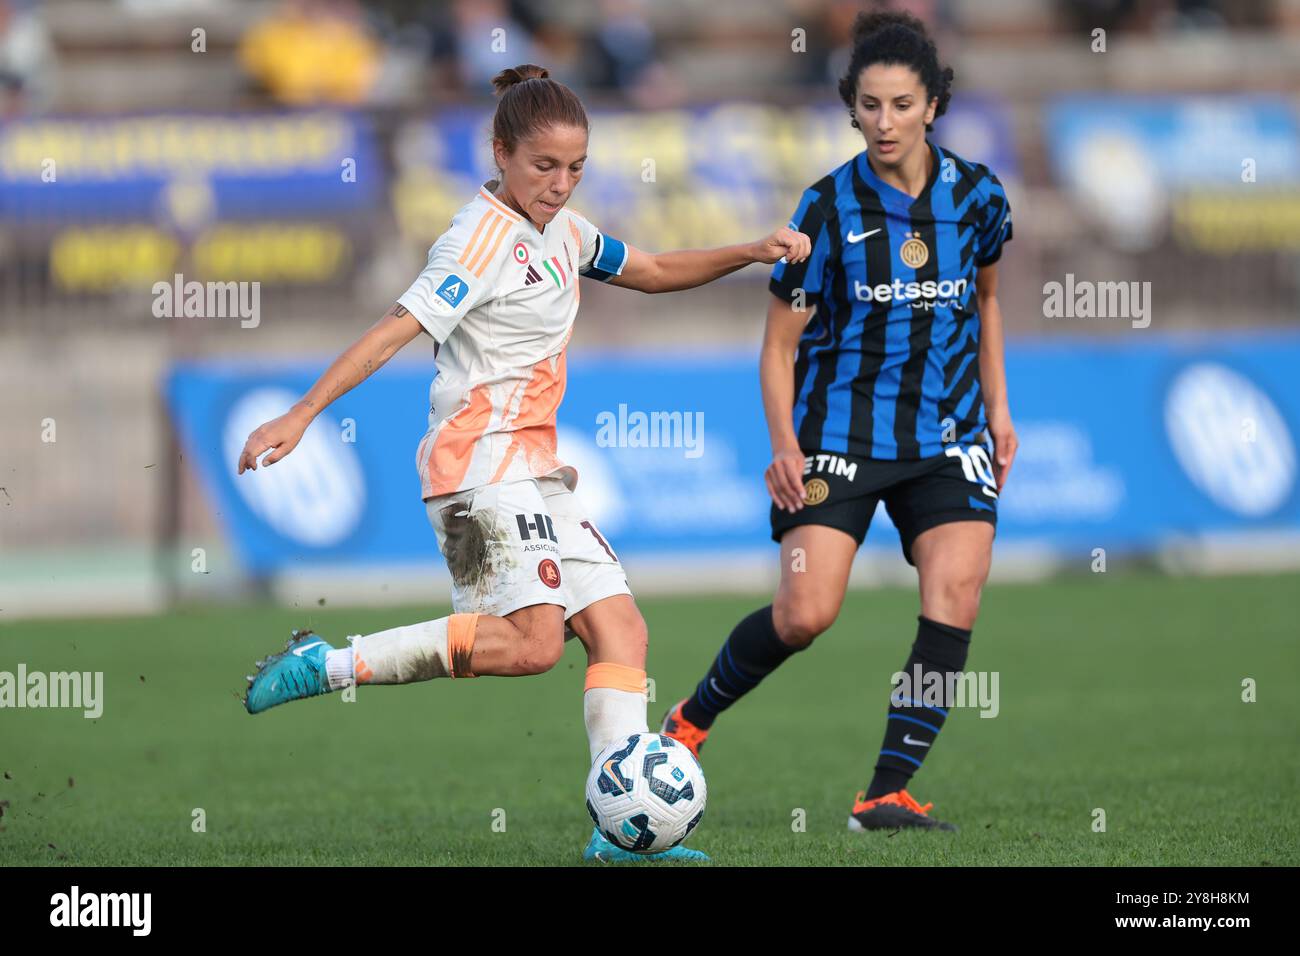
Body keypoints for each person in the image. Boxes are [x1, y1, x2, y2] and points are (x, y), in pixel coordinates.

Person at [235, 64, 810, 862]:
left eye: (576, 168)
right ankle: (327, 663)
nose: (561, 183)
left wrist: (750, 250)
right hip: (475, 471)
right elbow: (397, 326)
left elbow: (647, 272)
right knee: (536, 645)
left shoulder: (567, 233)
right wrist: (301, 413)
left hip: (533, 470)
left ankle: (623, 839)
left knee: (622, 634)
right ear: (500, 151)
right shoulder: (476, 239)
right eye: (544, 166)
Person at [662, 11, 1017, 833]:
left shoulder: (980, 198)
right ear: (850, 108)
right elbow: (778, 346)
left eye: (900, 104)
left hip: (947, 435)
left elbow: (989, 301)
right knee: (805, 614)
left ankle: (885, 793)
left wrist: (998, 408)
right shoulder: (824, 210)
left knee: (956, 592)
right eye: (869, 106)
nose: (884, 122)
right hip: (838, 438)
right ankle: (690, 717)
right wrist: (784, 444)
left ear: (933, 105)